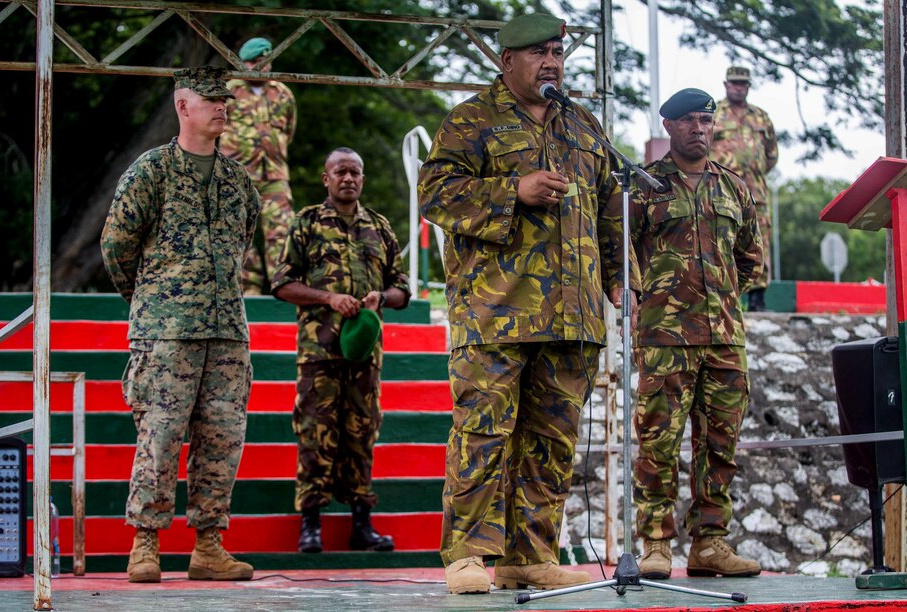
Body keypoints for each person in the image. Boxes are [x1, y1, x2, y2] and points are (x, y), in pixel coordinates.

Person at [418, 12, 637, 595]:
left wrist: (621, 280)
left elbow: (613, 208)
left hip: (575, 313)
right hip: (496, 312)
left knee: (552, 439)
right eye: (538, 53)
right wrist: (511, 190)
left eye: (557, 52)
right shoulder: (471, 120)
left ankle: (529, 554)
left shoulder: (584, 126)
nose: (551, 62)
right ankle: (468, 555)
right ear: (505, 60)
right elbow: (435, 194)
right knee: (484, 432)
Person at [101, 66, 259, 583]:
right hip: (166, 331)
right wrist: (149, 300)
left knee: (222, 437)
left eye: (225, 99)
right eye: (210, 99)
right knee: (160, 436)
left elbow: (245, 244)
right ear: (182, 106)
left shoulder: (239, 182)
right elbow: (116, 246)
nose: (222, 107)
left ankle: (208, 546)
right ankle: (144, 544)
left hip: (227, 332)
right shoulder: (151, 171)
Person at [630, 88, 765, 579]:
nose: (698, 129)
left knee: (719, 446)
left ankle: (710, 543)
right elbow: (615, 250)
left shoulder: (734, 188)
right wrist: (652, 296)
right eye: (688, 121)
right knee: (658, 444)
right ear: (668, 126)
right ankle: (656, 544)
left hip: (725, 338)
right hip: (664, 339)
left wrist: (721, 299)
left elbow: (750, 258)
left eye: (705, 121)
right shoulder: (643, 187)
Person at [271, 147, 410, 555]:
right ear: (325, 178)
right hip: (319, 350)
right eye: (340, 172)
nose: (348, 178)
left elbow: (402, 289)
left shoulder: (380, 228)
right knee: (316, 431)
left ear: (362, 180)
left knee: (361, 432)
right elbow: (282, 284)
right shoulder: (307, 223)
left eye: (355, 172)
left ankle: (361, 525)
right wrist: (328, 297)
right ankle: (310, 524)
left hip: (365, 352)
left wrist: (380, 297)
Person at [221, 36, 298, 295]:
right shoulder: (228, 91)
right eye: (255, 62)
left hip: (274, 174)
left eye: (265, 63)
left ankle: (284, 289)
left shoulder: (283, 93)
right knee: (240, 233)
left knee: (283, 231)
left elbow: (288, 130)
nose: (261, 68)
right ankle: (247, 294)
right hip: (238, 176)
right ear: (243, 63)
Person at [710, 66, 778, 312]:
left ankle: (758, 297)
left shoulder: (761, 117)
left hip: (755, 192)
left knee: (759, 242)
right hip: (721, 191)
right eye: (734, 83)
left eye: (743, 84)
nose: (738, 88)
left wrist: (753, 173)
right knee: (721, 240)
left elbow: (771, 156)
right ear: (726, 84)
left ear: (748, 87)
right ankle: (724, 297)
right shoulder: (713, 113)